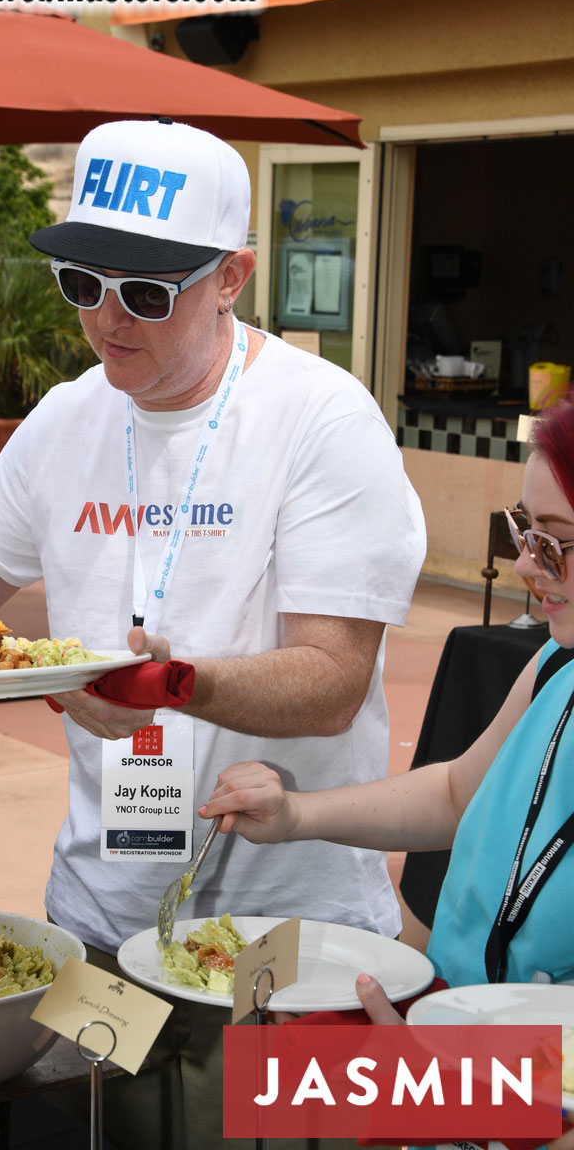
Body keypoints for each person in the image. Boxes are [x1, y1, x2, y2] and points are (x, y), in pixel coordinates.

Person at [0, 119, 425, 1149]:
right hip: (95, 924)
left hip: (279, 937)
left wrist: (166, 686)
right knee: (92, 1128)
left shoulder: (322, 423)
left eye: (148, 293)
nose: (108, 319)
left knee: (232, 1134)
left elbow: (333, 678)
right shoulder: (70, 419)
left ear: (232, 277)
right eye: (84, 283)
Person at [200, 387, 574, 1030]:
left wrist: (448, 1076)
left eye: (555, 545)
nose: (523, 564)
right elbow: (459, 795)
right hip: (467, 1041)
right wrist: (296, 813)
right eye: (524, 532)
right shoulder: (553, 667)